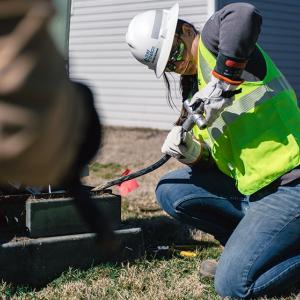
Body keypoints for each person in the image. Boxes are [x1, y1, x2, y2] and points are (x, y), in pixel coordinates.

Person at [126, 2, 300, 299]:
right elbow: (221, 160)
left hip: (289, 183)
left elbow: (244, 14)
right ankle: (243, 242)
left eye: (176, 53)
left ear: (185, 30)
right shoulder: (195, 96)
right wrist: (194, 153)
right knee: (170, 188)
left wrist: (223, 81)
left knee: (232, 285)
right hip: (251, 190)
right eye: (168, 65)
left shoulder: (212, 41)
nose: (177, 65)